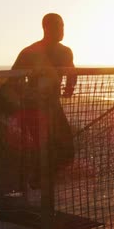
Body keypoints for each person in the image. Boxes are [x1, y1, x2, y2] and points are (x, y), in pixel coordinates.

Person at [12, 13, 76, 189]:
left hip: (53, 107)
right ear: (46, 28)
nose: (62, 30)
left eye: (63, 26)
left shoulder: (65, 52)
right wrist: (26, 96)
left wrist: (69, 87)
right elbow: (13, 78)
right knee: (45, 148)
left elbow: (72, 72)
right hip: (33, 108)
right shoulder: (30, 51)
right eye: (58, 26)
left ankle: (40, 183)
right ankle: (37, 185)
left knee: (66, 150)